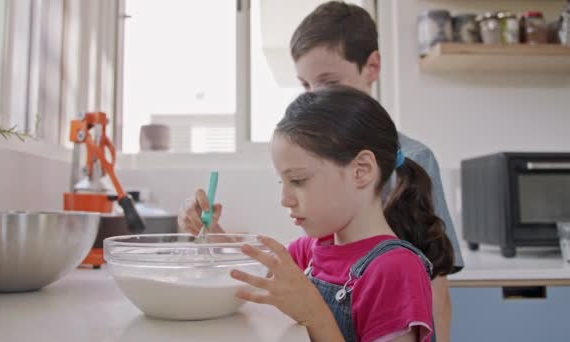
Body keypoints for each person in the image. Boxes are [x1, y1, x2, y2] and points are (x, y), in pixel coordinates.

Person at [179, 2, 464, 340]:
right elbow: (266, 266)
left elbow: (436, 289)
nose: (316, 97)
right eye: (305, 85)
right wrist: (215, 236)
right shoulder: (319, 245)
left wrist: (313, 313)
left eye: (328, 82)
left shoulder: (411, 171)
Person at [231, 86, 456, 341]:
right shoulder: (312, 251)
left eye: (299, 180)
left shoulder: (396, 271)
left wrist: (314, 315)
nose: (285, 199)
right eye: (282, 182)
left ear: (361, 171)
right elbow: (253, 276)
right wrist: (212, 238)